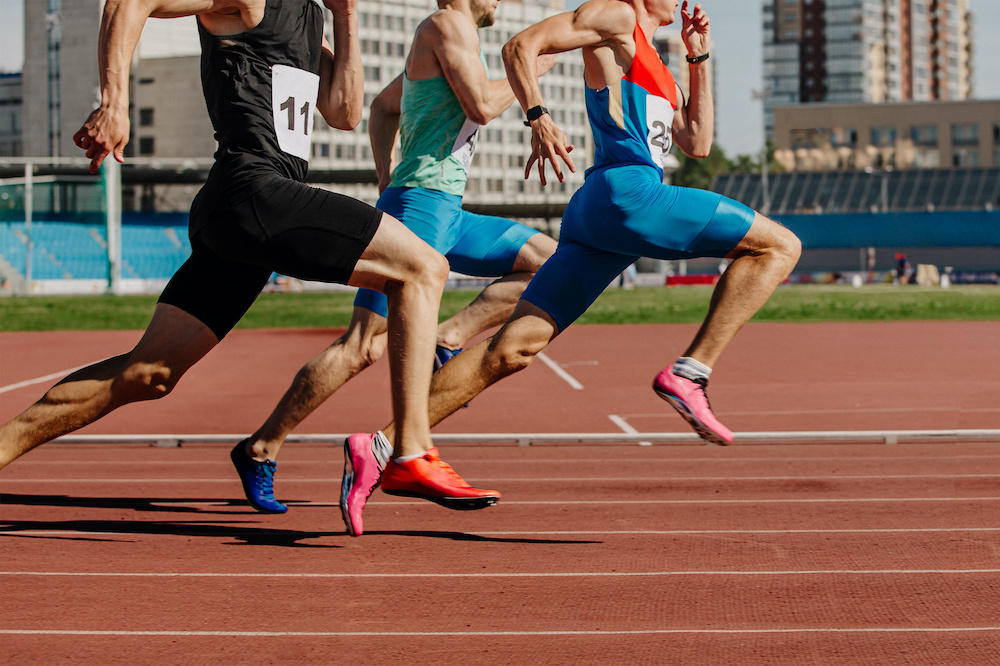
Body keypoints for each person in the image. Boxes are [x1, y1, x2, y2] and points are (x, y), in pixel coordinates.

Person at [341, 0, 802, 531]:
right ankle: (689, 373)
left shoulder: (657, 59)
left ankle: (381, 446)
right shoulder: (616, 17)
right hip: (629, 195)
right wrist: (538, 116)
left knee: (511, 351)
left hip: (602, 217)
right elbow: (521, 47)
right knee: (779, 246)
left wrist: (699, 60)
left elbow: (696, 141)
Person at [0, 0, 476, 509]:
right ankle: (409, 452)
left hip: (247, 212)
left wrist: (346, 16)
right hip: (251, 190)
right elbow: (129, 2)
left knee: (148, 374)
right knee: (423, 268)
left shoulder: (311, 22)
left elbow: (344, 112)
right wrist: (114, 102)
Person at [230, 0, 558, 536]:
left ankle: (446, 337)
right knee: (362, 346)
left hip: (444, 209)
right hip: (422, 208)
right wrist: (530, 75)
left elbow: (384, 107)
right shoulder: (446, 25)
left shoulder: (452, 39)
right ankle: (260, 447)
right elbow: (479, 106)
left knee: (548, 261)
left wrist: (387, 181)